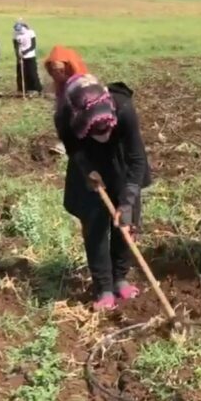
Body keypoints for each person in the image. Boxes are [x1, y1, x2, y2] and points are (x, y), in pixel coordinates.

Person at [55, 74, 152, 311]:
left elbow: (137, 158)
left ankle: (120, 278)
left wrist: (127, 201)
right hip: (89, 164)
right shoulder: (64, 116)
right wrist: (88, 171)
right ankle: (103, 287)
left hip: (122, 163)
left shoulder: (124, 109)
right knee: (96, 227)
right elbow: (73, 149)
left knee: (126, 224)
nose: (103, 136)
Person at [44, 45, 90, 156]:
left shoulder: (81, 82)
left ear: (68, 67)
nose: (56, 74)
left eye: (60, 70)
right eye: (53, 70)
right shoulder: (60, 84)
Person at [13, 21, 43, 96]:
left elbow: (33, 45)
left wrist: (25, 52)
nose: (19, 31)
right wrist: (18, 56)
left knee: (32, 73)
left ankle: (37, 89)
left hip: (30, 56)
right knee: (21, 74)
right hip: (21, 57)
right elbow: (15, 46)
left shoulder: (30, 33)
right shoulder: (15, 34)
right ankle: (23, 90)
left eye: (20, 29)